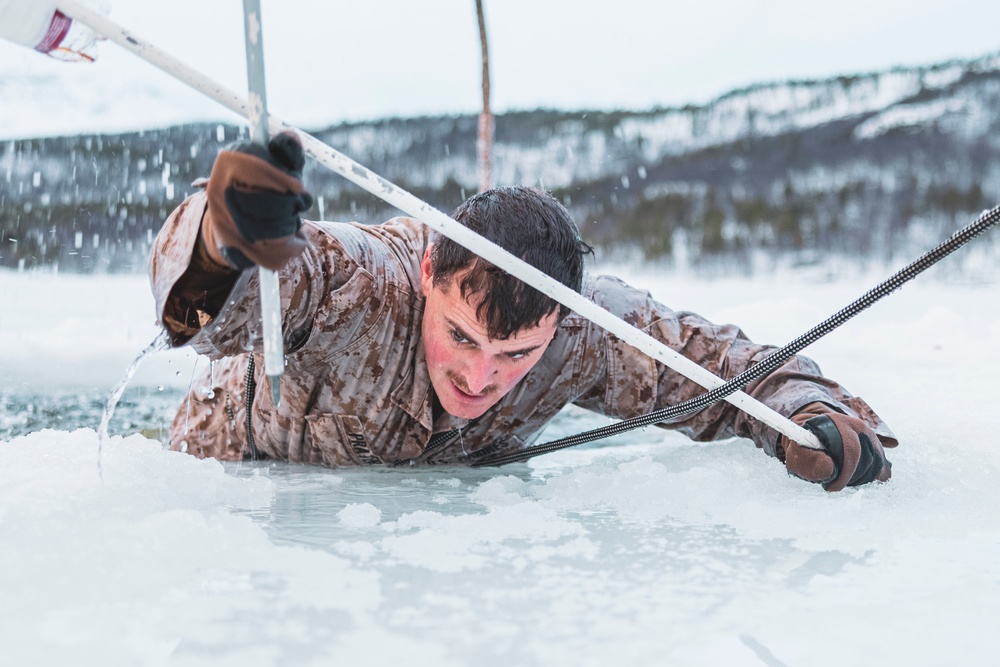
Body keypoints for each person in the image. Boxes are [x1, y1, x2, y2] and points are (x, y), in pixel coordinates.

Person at [151, 133, 896, 491]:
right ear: (429, 272)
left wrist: (809, 414)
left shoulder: (582, 329)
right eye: (461, 336)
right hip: (227, 478)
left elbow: (712, 363)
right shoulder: (362, 281)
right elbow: (217, 309)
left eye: (515, 356)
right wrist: (226, 236)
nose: (480, 377)